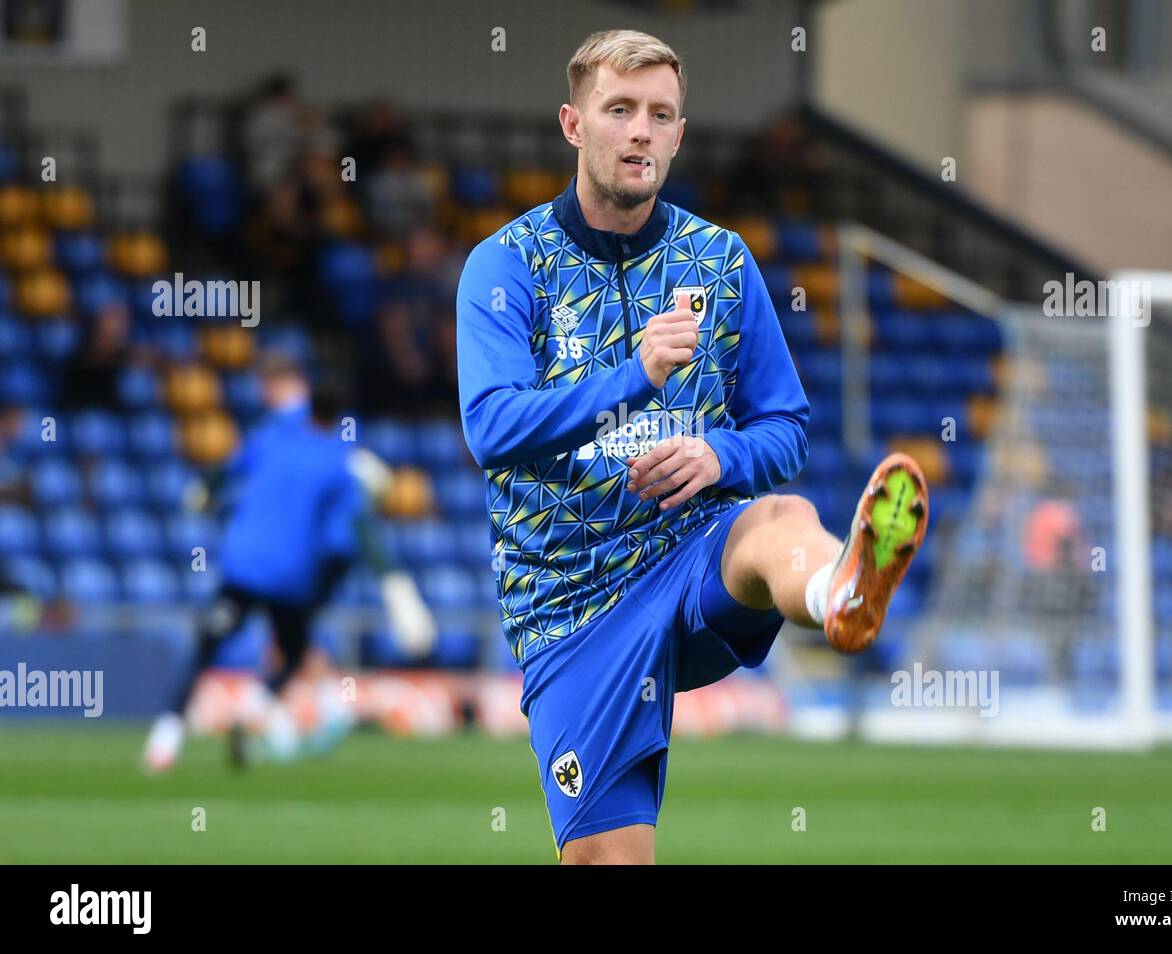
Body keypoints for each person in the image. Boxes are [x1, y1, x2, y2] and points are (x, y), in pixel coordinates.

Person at [456, 29, 928, 864]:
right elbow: (492, 428)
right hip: (569, 608)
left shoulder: (720, 260)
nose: (640, 130)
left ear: (679, 134)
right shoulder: (507, 266)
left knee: (774, 516)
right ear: (574, 124)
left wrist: (721, 458)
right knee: (610, 860)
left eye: (660, 115)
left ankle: (838, 594)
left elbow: (785, 430)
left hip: (688, 558)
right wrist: (634, 376)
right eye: (620, 110)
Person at [141, 353, 435, 772]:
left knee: (204, 649)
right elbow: (361, 529)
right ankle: (255, 706)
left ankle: (163, 744)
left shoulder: (271, 438)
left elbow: (226, 474)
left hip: (243, 570)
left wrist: (203, 493)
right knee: (294, 653)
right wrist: (397, 588)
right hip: (290, 581)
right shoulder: (339, 462)